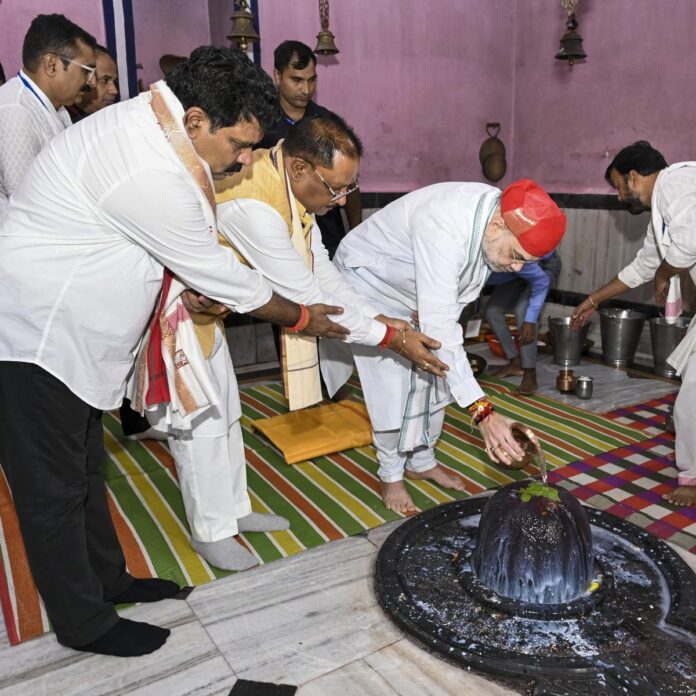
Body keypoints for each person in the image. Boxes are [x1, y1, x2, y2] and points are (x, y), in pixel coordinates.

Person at [0, 46, 347, 658]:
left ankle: (110, 580)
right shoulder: (149, 167)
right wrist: (298, 316)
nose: (244, 160)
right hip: (36, 338)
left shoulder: (155, 132)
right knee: (51, 494)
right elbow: (220, 273)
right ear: (194, 121)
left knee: (85, 472)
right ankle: (84, 623)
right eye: (239, 146)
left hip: (77, 339)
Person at [154, 113, 447, 570]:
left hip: (212, 310)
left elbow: (320, 266)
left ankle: (235, 510)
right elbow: (306, 297)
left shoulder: (289, 188)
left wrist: (375, 316)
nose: (343, 198)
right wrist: (392, 337)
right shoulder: (255, 203)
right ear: (300, 168)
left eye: (350, 187)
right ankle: (210, 530)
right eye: (336, 188)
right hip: (178, 309)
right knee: (200, 423)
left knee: (228, 413)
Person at [321, 180, 567, 513]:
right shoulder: (445, 222)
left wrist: (460, 374)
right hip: (369, 285)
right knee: (392, 384)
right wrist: (483, 412)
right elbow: (440, 331)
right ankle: (390, 474)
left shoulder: (491, 224)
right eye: (517, 256)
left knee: (437, 380)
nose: (517, 268)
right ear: (498, 225)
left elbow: (446, 319)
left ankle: (422, 461)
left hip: (413, 294)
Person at [570, 141, 696, 507]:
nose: (621, 195)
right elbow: (644, 265)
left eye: (619, 186)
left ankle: (691, 477)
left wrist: (665, 273)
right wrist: (592, 300)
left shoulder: (676, 182)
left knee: (691, 396)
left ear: (633, 176)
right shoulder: (663, 209)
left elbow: (688, 243)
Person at [258, 40, 361, 257]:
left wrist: (356, 233)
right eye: (296, 80)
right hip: (275, 234)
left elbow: (349, 183)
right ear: (277, 76)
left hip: (327, 234)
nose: (305, 90)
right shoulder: (260, 123)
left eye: (311, 80)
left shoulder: (327, 122)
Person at [0, 13, 97, 209]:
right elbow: (27, 205)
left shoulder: (56, 105)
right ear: (52, 65)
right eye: (87, 71)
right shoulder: (16, 111)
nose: (92, 82)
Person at [484, 251, 562, 394]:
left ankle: (529, 372)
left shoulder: (511, 251)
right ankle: (515, 362)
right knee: (492, 311)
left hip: (541, 264)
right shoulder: (470, 263)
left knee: (523, 312)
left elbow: (540, 280)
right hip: (511, 270)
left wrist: (531, 320)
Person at [67, 44, 118, 122]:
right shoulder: (62, 121)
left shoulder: (114, 118)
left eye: (114, 81)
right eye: (105, 80)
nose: (114, 91)